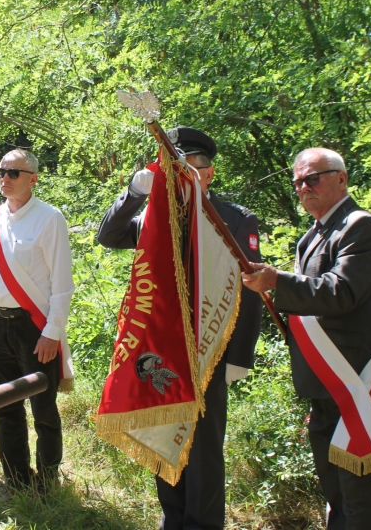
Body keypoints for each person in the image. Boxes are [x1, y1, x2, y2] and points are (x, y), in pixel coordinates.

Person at [97, 127, 263, 529]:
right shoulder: (156, 217)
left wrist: (239, 357)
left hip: (211, 348)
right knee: (165, 435)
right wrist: (135, 192)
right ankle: (173, 519)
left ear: (208, 173)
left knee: (203, 449)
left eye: (189, 169)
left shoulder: (235, 220)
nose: (181, 178)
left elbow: (250, 290)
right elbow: (109, 235)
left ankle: (202, 524)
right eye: (174, 170)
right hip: (162, 350)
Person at [242, 147, 371, 530]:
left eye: (312, 179)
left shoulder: (363, 228)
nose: (303, 188)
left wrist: (278, 281)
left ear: (341, 179)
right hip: (326, 386)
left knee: (359, 502)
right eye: (298, 182)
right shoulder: (312, 236)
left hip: (361, 384)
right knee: (336, 497)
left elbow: (341, 292)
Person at [0, 149, 75, 491]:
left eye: (13, 172)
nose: (4, 177)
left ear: (33, 179)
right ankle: (16, 480)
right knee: (6, 409)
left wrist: (52, 332)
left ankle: (48, 482)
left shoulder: (50, 218)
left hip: (34, 328)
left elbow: (62, 284)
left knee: (43, 410)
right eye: (1, 171)